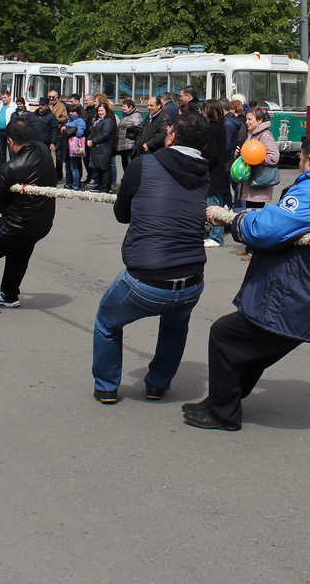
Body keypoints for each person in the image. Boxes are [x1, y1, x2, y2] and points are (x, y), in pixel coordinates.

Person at [181, 133, 310, 431]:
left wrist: (236, 220)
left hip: (297, 296)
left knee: (225, 335)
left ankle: (223, 413)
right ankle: (222, 402)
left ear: (309, 161)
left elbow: (268, 230)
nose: (298, 165)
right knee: (249, 348)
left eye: (299, 160)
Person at [91, 112, 212, 404]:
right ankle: (158, 384)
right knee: (175, 325)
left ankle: (107, 387)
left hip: (146, 280)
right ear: (203, 148)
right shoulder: (204, 172)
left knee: (107, 321)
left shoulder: (145, 164)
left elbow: (121, 214)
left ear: (171, 137)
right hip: (192, 281)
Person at [0, 119, 58, 313]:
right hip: (42, 223)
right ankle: (9, 294)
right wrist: (1, 179)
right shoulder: (42, 149)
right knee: (18, 256)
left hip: (16, 223)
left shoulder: (12, 167)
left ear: (10, 141)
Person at [237, 107, 281, 260]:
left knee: (256, 217)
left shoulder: (265, 135)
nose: (247, 122)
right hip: (251, 182)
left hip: (259, 182)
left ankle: (255, 251)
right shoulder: (252, 133)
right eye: (247, 119)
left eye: (250, 119)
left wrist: (254, 158)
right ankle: (250, 247)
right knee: (250, 214)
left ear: (260, 120)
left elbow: (273, 157)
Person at [202, 99, 230, 248]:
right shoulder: (220, 126)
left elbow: (211, 153)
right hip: (219, 170)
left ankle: (216, 237)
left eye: (204, 110)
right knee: (217, 203)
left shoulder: (212, 128)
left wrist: (201, 162)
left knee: (213, 205)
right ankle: (217, 235)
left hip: (212, 171)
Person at [87, 101, 117, 193]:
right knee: (98, 168)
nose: (100, 112)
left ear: (106, 111)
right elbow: (93, 132)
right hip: (96, 149)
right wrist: (89, 139)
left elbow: (105, 134)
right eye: (99, 111)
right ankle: (100, 186)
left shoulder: (109, 121)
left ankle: (105, 188)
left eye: (102, 110)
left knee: (105, 169)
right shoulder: (97, 121)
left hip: (104, 148)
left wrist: (93, 141)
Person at [225, 97, 247, 207]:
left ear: (233, 110)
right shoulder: (241, 121)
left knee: (237, 186)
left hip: (238, 157)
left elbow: (240, 138)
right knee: (237, 186)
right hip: (239, 156)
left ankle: (240, 208)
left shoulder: (238, 122)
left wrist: (238, 148)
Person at [61, 104, 87, 190]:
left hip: (75, 146)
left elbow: (80, 133)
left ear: (77, 112)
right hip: (67, 147)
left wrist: (68, 129)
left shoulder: (80, 121)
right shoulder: (68, 120)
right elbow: (63, 133)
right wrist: (63, 130)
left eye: (74, 112)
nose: (71, 113)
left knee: (74, 168)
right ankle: (68, 184)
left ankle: (76, 185)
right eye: (70, 112)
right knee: (67, 167)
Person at [0, 89, 20, 168]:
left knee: (11, 152)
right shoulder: (0, 106)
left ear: (9, 97)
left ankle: (12, 169)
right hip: (0, 131)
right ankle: (1, 169)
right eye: (2, 98)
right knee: (2, 152)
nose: (3, 99)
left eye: (5, 97)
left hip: (9, 132)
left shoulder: (13, 106)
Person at [116, 98, 142, 171]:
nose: (122, 108)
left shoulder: (135, 115)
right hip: (123, 145)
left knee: (129, 166)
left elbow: (138, 128)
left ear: (130, 107)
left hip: (130, 145)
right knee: (125, 165)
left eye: (124, 106)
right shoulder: (127, 115)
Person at [48, 90, 68, 181]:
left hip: (58, 134)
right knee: (47, 155)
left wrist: (55, 119)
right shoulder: (47, 105)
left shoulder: (61, 106)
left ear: (56, 97)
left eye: (53, 97)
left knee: (58, 156)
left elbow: (65, 119)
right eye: (49, 97)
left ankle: (59, 176)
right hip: (48, 133)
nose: (51, 99)